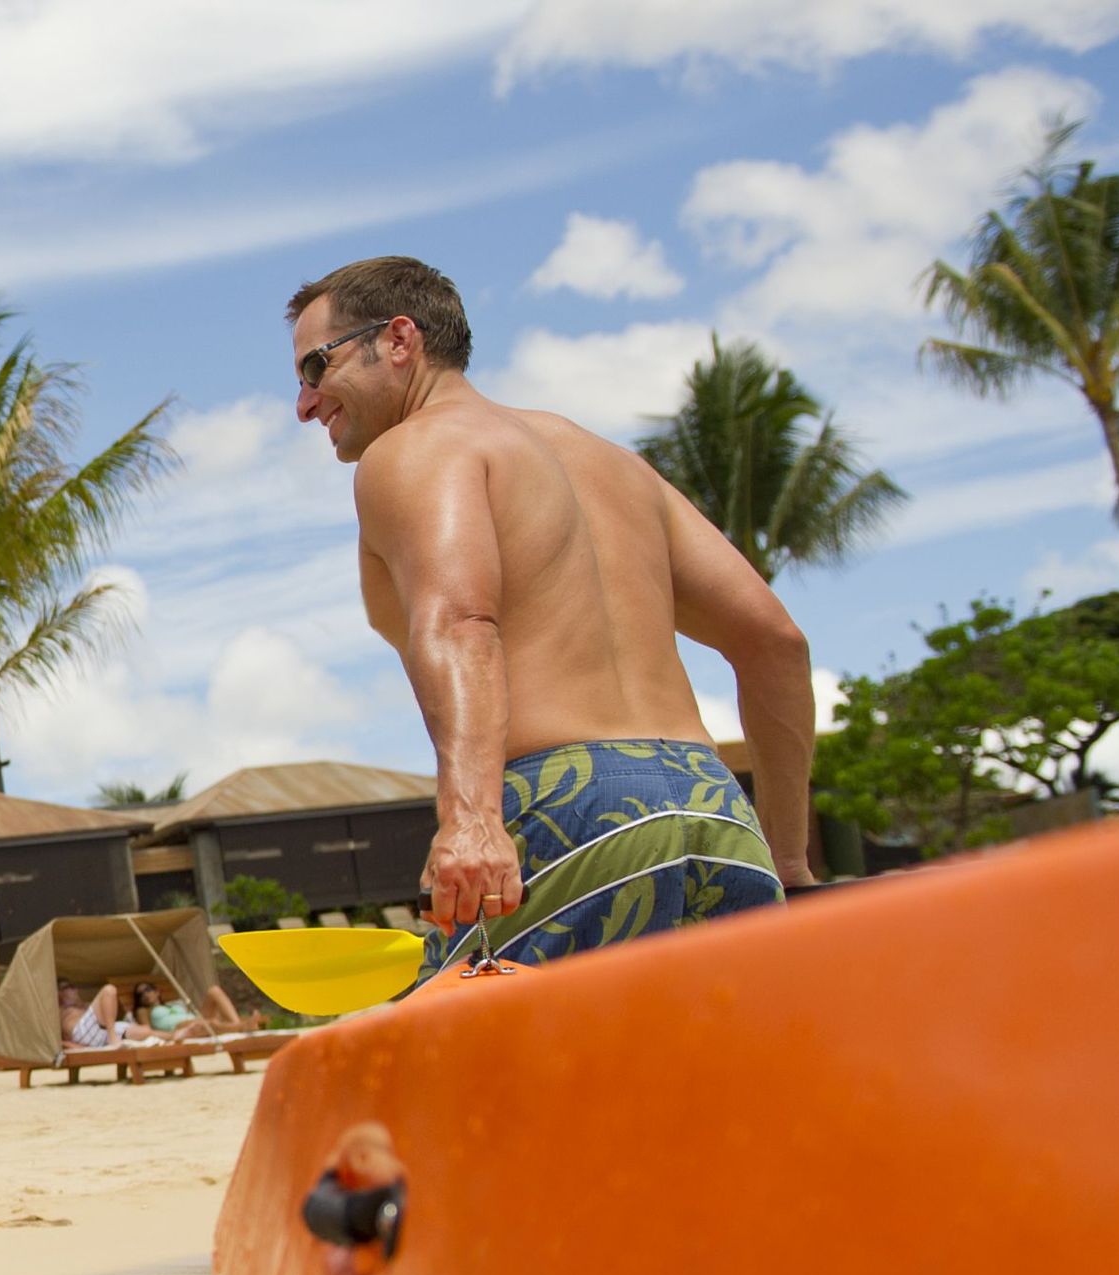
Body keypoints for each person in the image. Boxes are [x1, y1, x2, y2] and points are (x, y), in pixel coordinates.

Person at [287, 257, 816, 985]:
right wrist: (789, 862)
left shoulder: (417, 448)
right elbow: (775, 643)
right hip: (715, 808)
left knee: (457, 1053)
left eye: (316, 367)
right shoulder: (609, 463)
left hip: (572, 809)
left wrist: (472, 818)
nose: (305, 404)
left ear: (400, 340)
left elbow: (463, 621)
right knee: (703, 1062)